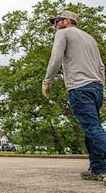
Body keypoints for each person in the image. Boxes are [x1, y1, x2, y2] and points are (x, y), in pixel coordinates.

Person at [42, 10, 106, 184]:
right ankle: (98, 169)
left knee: (92, 129)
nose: (54, 25)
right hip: (96, 87)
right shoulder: (90, 38)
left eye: (57, 21)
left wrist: (47, 80)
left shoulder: (64, 33)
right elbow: (100, 67)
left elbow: (56, 58)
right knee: (91, 129)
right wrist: (103, 90)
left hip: (80, 88)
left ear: (68, 21)